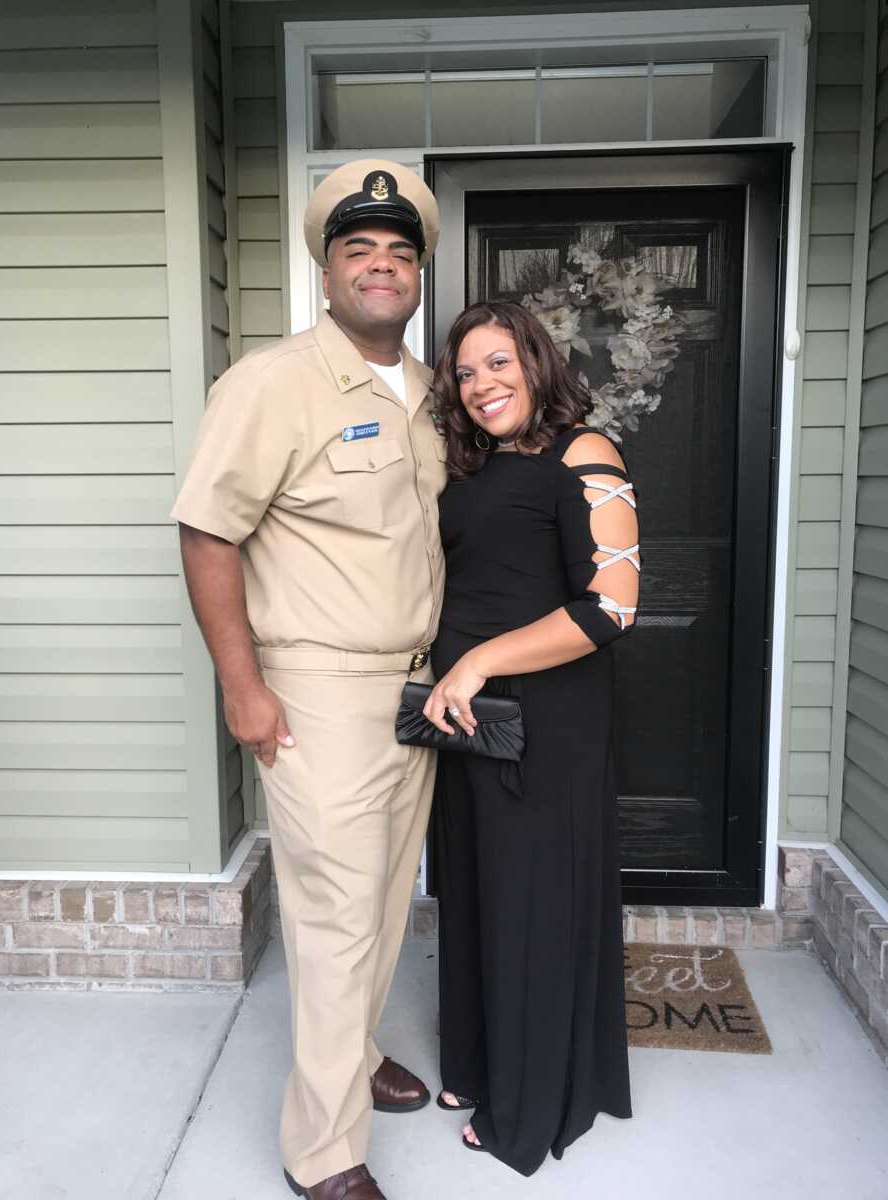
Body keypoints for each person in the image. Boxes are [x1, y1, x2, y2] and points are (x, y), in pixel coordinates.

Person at [171, 160, 445, 1200]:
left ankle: (355, 1055)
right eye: (358, 251)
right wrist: (242, 683)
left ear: (417, 276)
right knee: (333, 916)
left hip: (414, 691)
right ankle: (324, 1152)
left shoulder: (426, 393)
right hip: (318, 690)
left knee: (378, 900)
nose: (381, 267)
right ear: (326, 275)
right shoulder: (272, 383)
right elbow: (207, 533)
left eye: (399, 253)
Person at [423, 300, 638, 1175]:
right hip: (464, 716)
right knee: (475, 893)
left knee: (532, 906)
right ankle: (477, 1066)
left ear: (536, 363)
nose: (482, 385)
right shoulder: (468, 469)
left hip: (546, 719)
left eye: (499, 363)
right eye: (466, 373)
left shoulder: (585, 451)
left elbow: (613, 605)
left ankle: (527, 1107)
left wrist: (477, 663)